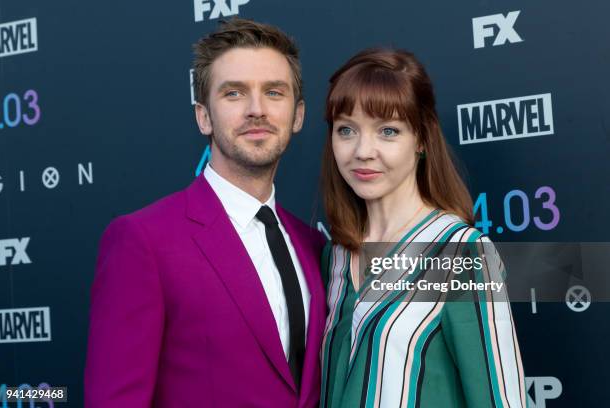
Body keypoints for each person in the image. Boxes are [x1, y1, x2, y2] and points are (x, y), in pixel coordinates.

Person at [85, 18, 326, 407]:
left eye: (274, 92)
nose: (256, 110)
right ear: (203, 116)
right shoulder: (143, 241)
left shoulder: (313, 246)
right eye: (234, 93)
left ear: (297, 115)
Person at [319, 48, 526, 407]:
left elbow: (501, 399)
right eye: (346, 130)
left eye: (388, 131)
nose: (363, 151)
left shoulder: (461, 251)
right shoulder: (334, 255)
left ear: (421, 139)